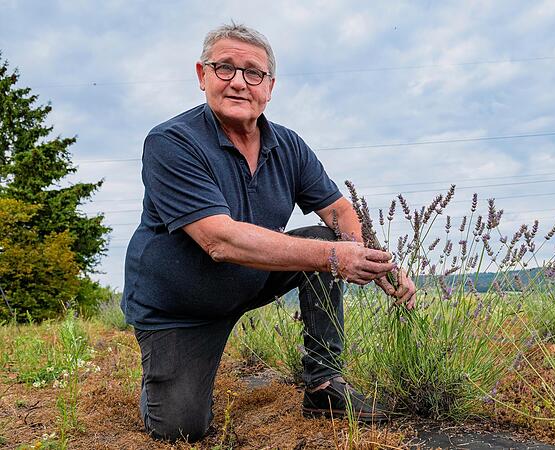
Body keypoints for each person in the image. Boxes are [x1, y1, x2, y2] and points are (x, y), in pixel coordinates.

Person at [121, 22, 416, 443]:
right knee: (182, 428)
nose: (239, 82)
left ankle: (322, 384)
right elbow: (218, 240)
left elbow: (338, 209)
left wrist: (371, 259)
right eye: (224, 68)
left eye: (253, 72)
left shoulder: (288, 145)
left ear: (270, 86)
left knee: (324, 238)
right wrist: (335, 258)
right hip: (178, 307)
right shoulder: (172, 143)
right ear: (202, 76)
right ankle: (162, 378)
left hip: (249, 280)